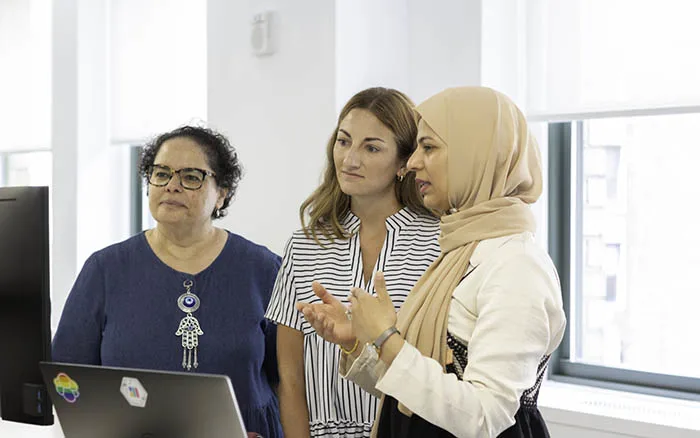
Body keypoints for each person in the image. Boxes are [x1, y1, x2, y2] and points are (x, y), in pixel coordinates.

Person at [298, 86, 567, 438]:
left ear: (475, 156)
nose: (412, 162)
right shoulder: (462, 248)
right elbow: (415, 394)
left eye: (429, 148)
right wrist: (358, 343)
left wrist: (386, 338)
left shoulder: (517, 266)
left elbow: (486, 416)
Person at [52, 126, 282, 438]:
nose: (172, 186)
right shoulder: (104, 269)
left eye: (190, 177)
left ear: (222, 193)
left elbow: (289, 379)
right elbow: (67, 379)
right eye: (161, 173)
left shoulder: (264, 269)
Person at [265, 87, 441, 437]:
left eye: (371, 147)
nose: (349, 159)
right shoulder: (304, 245)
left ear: (404, 162)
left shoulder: (438, 243)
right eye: (344, 141)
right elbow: (291, 379)